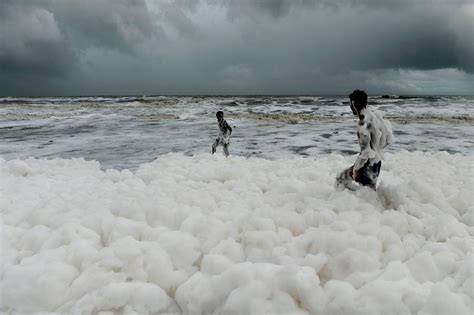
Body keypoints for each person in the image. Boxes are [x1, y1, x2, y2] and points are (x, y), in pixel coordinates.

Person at [336, 90, 394, 190]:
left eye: (351, 103)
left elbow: (365, 152)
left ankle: (349, 202)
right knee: (369, 195)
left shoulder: (363, 124)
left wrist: (357, 169)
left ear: (354, 103)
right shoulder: (376, 117)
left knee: (340, 179)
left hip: (367, 165)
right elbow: (388, 139)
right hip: (376, 162)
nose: (350, 107)